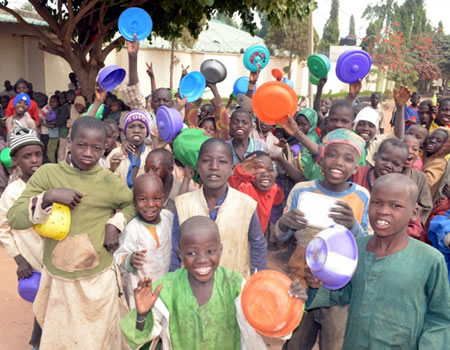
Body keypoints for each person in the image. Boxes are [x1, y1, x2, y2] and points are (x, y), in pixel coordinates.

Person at [7, 117, 136, 349]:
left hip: (99, 280)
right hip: (59, 281)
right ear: (69, 142)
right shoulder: (48, 174)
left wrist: (114, 225)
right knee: (63, 342)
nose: (88, 152)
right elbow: (15, 218)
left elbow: (132, 204)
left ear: (105, 146)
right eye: (81, 145)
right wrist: (49, 196)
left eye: (96, 147)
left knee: (100, 340)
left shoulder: (108, 181)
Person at [304, 174, 450, 349]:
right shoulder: (354, 249)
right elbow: (335, 295)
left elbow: (440, 319)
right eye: (376, 202)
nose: (383, 210)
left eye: (395, 205)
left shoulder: (430, 260)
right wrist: (316, 283)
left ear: (413, 213)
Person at [120, 216, 306, 349]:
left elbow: (266, 321)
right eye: (192, 253)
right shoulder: (166, 288)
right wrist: (142, 315)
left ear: (220, 250)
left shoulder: (234, 285)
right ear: (180, 255)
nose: (202, 260)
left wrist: (290, 300)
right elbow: (140, 338)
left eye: (210, 251)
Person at [278, 128, 370, 350]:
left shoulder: (361, 196)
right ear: (321, 160)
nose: (338, 162)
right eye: (332, 154)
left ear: (356, 167)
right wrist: (284, 223)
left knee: (334, 342)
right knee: (296, 341)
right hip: (300, 280)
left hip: (339, 290)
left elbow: (367, 244)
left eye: (348, 159)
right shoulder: (302, 190)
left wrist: (353, 226)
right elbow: (280, 235)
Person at [169, 138, 267, 278]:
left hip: (234, 290)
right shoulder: (183, 204)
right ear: (197, 166)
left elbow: (258, 246)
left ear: (232, 169)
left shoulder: (246, 205)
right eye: (206, 160)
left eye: (222, 161)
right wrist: (172, 286)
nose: (214, 166)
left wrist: (258, 282)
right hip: (191, 290)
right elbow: (175, 250)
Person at [0, 127, 44, 349]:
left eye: (38, 154)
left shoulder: (49, 184)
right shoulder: (12, 193)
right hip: (33, 262)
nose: (34, 160)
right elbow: (4, 229)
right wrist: (19, 260)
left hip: (56, 260)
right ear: (15, 161)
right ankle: (38, 343)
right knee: (42, 306)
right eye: (27, 156)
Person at [114, 173, 173, 308]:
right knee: (144, 325)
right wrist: (129, 259)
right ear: (134, 202)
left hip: (166, 289)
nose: (150, 204)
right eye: (143, 199)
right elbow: (117, 257)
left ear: (163, 198)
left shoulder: (168, 218)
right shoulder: (132, 228)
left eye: (156, 198)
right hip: (141, 292)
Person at [229, 151, 284, 233]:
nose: (265, 174)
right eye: (259, 170)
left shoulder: (274, 189)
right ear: (248, 173)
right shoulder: (244, 187)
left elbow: (278, 200)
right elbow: (233, 182)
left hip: (260, 237)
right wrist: (241, 172)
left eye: (270, 170)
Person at [107, 110, 152, 188]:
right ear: (125, 131)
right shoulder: (115, 153)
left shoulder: (150, 154)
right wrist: (111, 169)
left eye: (141, 127)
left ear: (147, 131)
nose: (136, 131)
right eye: (131, 127)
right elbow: (104, 183)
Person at [144, 148, 190, 212]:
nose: (149, 174)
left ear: (170, 169)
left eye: (155, 169)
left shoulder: (188, 192)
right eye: (146, 169)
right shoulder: (141, 189)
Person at [402, 135, 433, 225]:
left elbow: (426, 206)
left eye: (415, 149)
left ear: (418, 155)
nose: (410, 151)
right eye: (405, 147)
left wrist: (406, 214)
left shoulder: (421, 177)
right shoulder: (389, 172)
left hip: (408, 225)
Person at [423, 127, 450, 198]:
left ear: (445, 146)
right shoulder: (425, 156)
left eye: (439, 141)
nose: (433, 141)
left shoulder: (440, 162)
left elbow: (427, 183)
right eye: (431, 138)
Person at [46, 95, 60, 163]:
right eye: (51, 102)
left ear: (58, 102)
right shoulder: (51, 110)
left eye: (54, 102)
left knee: (50, 152)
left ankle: (52, 165)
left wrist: (44, 124)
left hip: (54, 135)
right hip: (52, 135)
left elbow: (53, 124)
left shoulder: (56, 112)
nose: (52, 103)